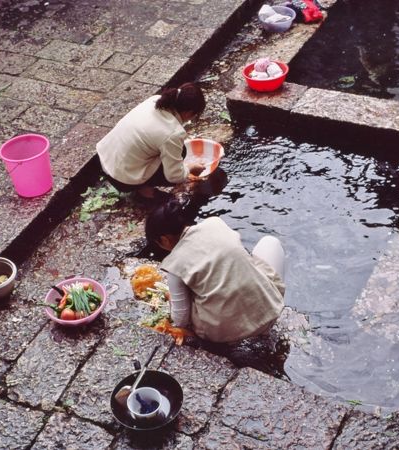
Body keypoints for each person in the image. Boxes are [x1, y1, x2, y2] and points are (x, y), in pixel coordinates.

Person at [145, 199, 286, 343]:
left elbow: (180, 319)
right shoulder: (215, 223)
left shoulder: (174, 264)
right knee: (270, 242)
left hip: (223, 335)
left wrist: (171, 300)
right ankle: (265, 326)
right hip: (267, 315)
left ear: (164, 239)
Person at [97, 82, 207, 202]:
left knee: (176, 149)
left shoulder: (155, 100)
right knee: (182, 152)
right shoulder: (173, 133)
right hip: (122, 179)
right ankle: (145, 192)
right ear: (189, 113)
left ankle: (139, 183)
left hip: (104, 159)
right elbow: (174, 176)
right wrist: (190, 168)